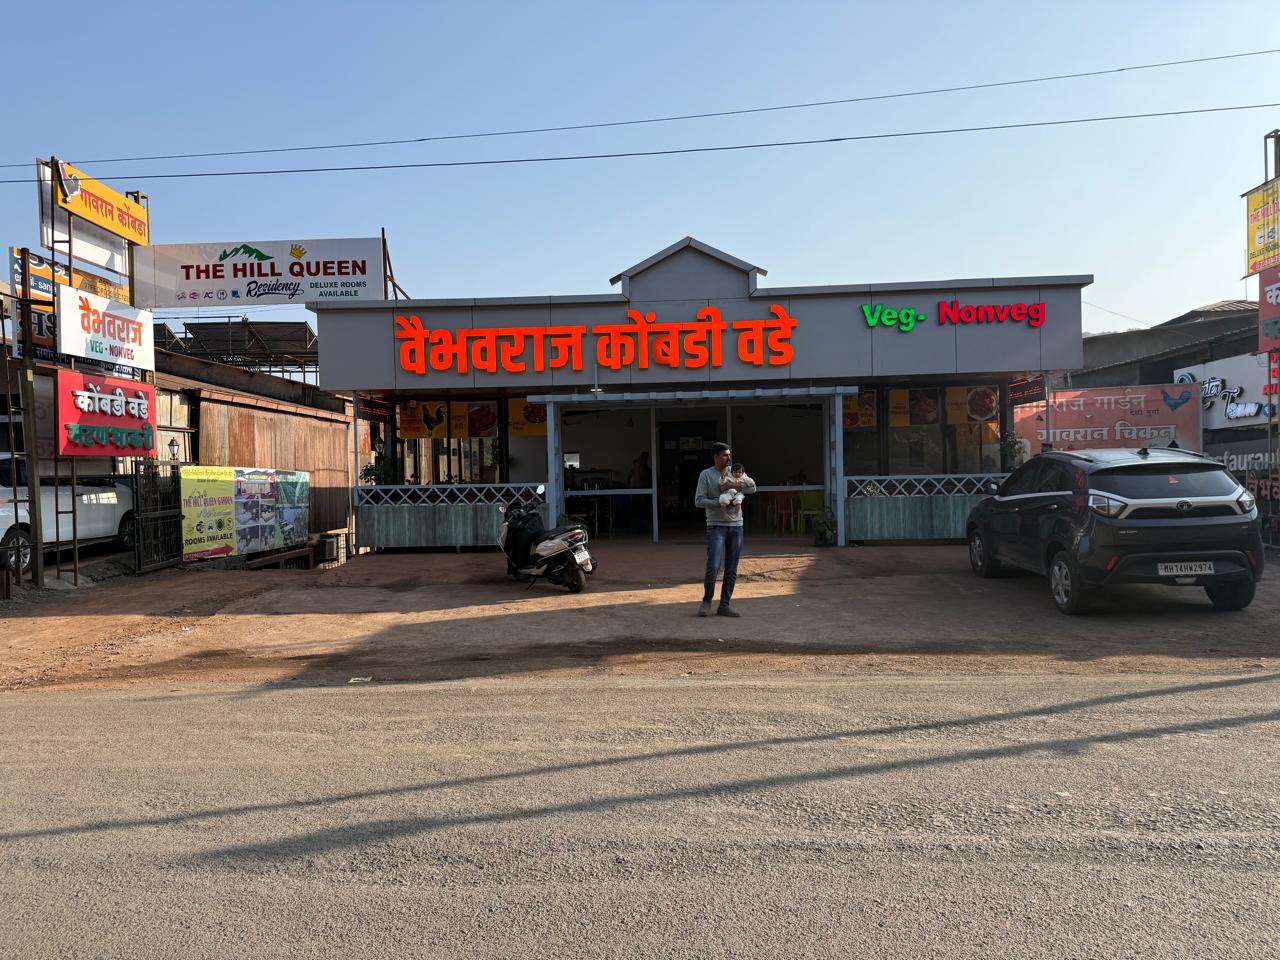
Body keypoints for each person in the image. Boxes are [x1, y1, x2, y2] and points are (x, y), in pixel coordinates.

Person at [694, 442, 756, 617]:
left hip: (736, 526)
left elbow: (753, 488)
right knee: (713, 565)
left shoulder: (736, 472)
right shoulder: (706, 475)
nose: (728, 458)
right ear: (716, 457)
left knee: (731, 568)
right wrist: (720, 502)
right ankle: (706, 602)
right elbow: (699, 500)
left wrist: (735, 486)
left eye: (729, 454)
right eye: (724, 455)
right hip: (716, 526)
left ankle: (724, 605)